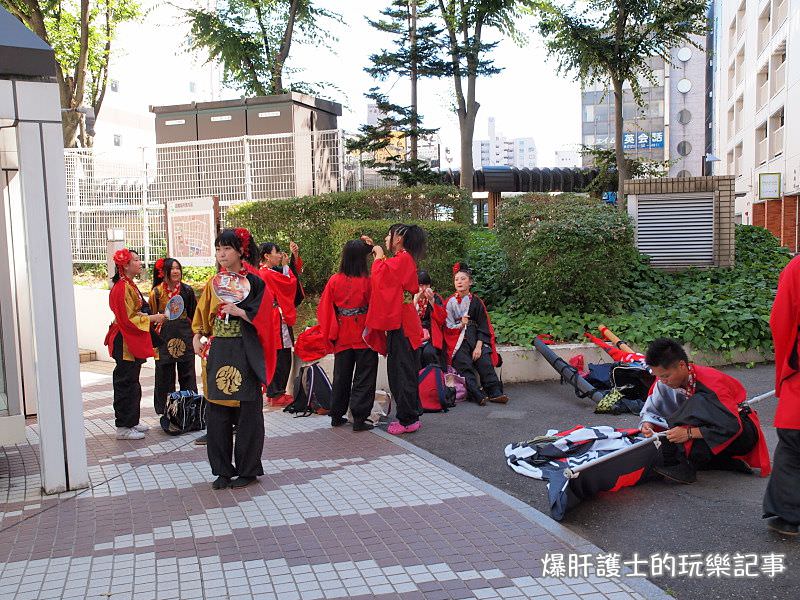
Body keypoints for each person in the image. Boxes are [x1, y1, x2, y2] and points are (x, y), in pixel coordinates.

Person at [192, 228, 276, 489]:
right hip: (219, 352)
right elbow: (202, 317)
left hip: (244, 349)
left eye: (227, 249)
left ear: (240, 251)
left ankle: (248, 469)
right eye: (218, 249)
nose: (221, 254)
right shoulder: (214, 282)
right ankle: (222, 470)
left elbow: (266, 318)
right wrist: (197, 335)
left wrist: (240, 312)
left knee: (248, 410)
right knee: (217, 412)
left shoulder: (256, 282)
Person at [640, 338, 771, 485]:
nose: (663, 381)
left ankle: (688, 467)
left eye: (665, 376)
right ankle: (724, 462)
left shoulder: (711, 382)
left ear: (682, 365)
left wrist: (688, 433)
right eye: (658, 376)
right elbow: (652, 409)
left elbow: (732, 425)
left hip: (741, 431)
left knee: (696, 404)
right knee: (662, 451)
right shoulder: (662, 383)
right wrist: (648, 424)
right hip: (704, 428)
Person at [361, 224, 425, 435]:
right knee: (404, 371)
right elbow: (388, 274)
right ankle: (411, 415)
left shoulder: (403, 258)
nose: (387, 239)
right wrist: (376, 251)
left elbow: (381, 277)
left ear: (398, 239)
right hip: (404, 322)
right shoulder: (402, 259)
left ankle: (408, 420)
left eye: (389, 235)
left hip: (403, 325)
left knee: (401, 373)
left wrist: (379, 255)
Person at [104, 248, 166, 440]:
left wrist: (146, 317)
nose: (140, 263)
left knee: (132, 382)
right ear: (126, 265)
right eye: (137, 260)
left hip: (129, 339)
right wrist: (153, 317)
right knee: (125, 383)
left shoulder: (127, 284)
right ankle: (123, 426)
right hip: (124, 340)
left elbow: (132, 314)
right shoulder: (122, 287)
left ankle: (132, 421)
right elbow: (128, 319)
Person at [317, 239, 379, 431]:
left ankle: (336, 414)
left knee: (341, 375)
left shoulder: (334, 280)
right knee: (365, 376)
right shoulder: (368, 280)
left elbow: (325, 309)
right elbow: (377, 306)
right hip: (364, 334)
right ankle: (359, 418)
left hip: (342, 332)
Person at [763, 255, 800, 535]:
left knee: (792, 446)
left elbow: (781, 321)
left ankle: (789, 517)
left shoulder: (797, 268)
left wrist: (783, 375)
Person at [443, 262, 507, 406]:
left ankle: (495, 392)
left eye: (463, 279)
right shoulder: (449, 302)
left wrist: (479, 346)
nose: (459, 282)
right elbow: (447, 326)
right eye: (456, 279)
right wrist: (461, 325)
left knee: (484, 359)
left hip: (476, 337)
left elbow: (484, 326)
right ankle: (476, 394)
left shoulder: (477, 302)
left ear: (470, 282)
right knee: (463, 364)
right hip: (457, 339)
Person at [148, 257, 198, 415]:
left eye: (178, 268)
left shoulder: (187, 290)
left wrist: (197, 336)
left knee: (188, 374)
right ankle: (165, 410)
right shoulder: (156, 292)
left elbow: (194, 315)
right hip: (164, 339)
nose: (176, 271)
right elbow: (152, 318)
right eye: (172, 268)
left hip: (185, 336)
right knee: (164, 375)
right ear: (164, 272)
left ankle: (190, 409)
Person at [259, 241, 304, 405]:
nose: (279, 255)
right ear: (267, 256)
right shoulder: (267, 273)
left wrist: (292, 260)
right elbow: (288, 284)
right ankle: (276, 393)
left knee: (277, 354)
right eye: (276, 252)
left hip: (271, 317)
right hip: (276, 318)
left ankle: (273, 392)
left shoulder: (265, 272)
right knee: (281, 355)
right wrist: (286, 267)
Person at [415, 270, 447, 369]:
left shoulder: (436, 297)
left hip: (432, 334)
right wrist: (415, 300)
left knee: (429, 353)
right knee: (415, 353)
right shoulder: (411, 296)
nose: (423, 288)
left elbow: (442, 319)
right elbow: (406, 316)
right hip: (415, 334)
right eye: (420, 285)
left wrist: (432, 301)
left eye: (426, 285)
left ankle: (433, 379)